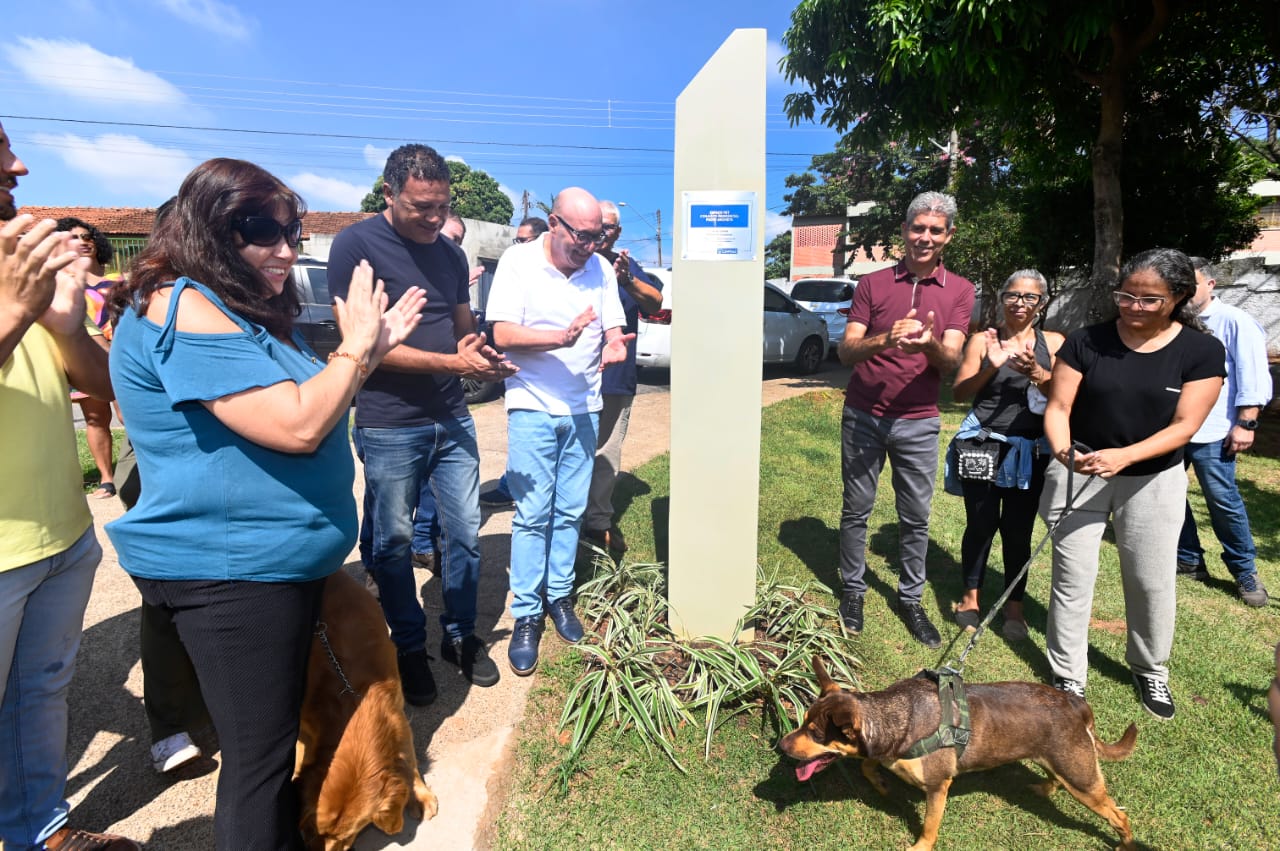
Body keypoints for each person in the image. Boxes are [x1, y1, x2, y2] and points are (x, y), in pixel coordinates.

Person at [106, 157, 424, 849]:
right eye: (262, 231)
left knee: (277, 746)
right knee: (258, 761)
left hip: (268, 566)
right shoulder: (179, 302)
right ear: (210, 231)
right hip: (230, 573)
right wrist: (357, 348)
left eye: (293, 231)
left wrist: (367, 354)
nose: (286, 249)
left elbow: (309, 396)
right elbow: (300, 424)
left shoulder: (236, 309)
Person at [0, 121, 143, 850]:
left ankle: (42, 832)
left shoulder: (12, 262)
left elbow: (96, 388)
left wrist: (61, 327)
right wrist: (17, 312)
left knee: (39, 700)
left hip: (58, 532)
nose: (18, 165)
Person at [328, 143, 514, 703]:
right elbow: (360, 347)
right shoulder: (355, 246)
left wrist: (477, 353)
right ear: (389, 194)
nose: (434, 219)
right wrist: (454, 363)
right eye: (420, 208)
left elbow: (461, 326)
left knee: (464, 535)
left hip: (451, 415)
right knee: (392, 543)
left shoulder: (452, 256)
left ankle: (459, 636)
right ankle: (407, 647)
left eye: (442, 207)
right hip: (388, 423)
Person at [1041, 247, 1225, 721]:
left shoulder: (1201, 351)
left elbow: (1184, 427)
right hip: (1079, 468)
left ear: (1178, 297)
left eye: (1149, 300)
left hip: (1153, 478)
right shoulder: (1086, 341)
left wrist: (1123, 457)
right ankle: (1068, 676)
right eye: (1126, 296)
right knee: (1071, 577)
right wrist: (1066, 453)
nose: (1134, 307)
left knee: (1150, 581)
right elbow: (1058, 408)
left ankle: (1150, 668)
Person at [487, 187, 631, 675]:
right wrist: (560, 338)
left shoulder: (601, 269)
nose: (590, 246)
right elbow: (502, 333)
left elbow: (613, 326)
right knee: (532, 515)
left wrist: (614, 344)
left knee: (569, 512)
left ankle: (560, 596)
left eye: (598, 237)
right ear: (554, 222)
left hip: (585, 409)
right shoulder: (517, 262)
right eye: (582, 236)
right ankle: (527, 613)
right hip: (531, 406)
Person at [835, 191, 975, 649]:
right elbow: (846, 350)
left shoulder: (959, 290)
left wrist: (928, 346)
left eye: (935, 230)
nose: (925, 237)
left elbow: (951, 361)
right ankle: (853, 592)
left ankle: (910, 598)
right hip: (863, 415)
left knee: (915, 517)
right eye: (918, 227)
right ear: (904, 231)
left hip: (918, 420)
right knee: (857, 509)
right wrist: (885, 339)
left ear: (949, 236)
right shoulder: (872, 285)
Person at [948, 270, 1064, 641]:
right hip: (984, 444)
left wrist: (1037, 372)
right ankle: (971, 598)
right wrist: (991, 366)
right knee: (980, 524)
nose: (1019, 303)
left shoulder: (1056, 342)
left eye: (1029, 297)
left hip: (1031, 450)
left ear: (1041, 304)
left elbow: (1063, 394)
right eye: (1012, 295)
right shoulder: (982, 341)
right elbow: (959, 394)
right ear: (1001, 298)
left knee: (1018, 530)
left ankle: (1015, 607)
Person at [1175, 257, 1271, 606]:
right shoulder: (1175, 322)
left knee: (1222, 500)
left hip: (1214, 429)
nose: (1185, 292)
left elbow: (1254, 373)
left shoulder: (1233, 320)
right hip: (1172, 428)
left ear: (1211, 284)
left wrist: (1246, 422)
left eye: (1192, 284)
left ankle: (1244, 570)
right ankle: (1188, 558)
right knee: (1170, 496)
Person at [580, 200, 663, 553]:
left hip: (615, 379)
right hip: (573, 377)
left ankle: (597, 522)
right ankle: (564, 520)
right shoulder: (573, 262)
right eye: (597, 225)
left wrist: (626, 279)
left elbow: (655, 302)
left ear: (618, 232)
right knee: (569, 450)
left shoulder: (627, 267)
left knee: (606, 453)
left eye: (609, 227)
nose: (601, 233)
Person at [480, 215, 550, 509]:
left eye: (525, 241)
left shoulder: (553, 276)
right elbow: (502, 331)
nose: (518, 246)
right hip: (522, 381)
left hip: (554, 382)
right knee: (522, 440)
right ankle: (513, 486)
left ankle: (520, 488)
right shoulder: (515, 272)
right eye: (517, 241)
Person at [55, 217, 119, 499]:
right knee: (95, 418)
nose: (83, 242)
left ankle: (140, 468)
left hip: (120, 354)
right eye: (74, 238)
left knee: (126, 414)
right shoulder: (59, 282)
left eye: (87, 236)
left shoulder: (119, 280)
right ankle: (106, 479)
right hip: (83, 353)